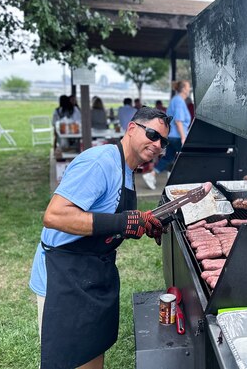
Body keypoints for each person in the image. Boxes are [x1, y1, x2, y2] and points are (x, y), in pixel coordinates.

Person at [29, 107, 170, 369]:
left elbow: (106, 218)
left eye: (163, 140)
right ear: (131, 129)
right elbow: (55, 216)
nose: (157, 143)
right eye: (152, 133)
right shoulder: (100, 162)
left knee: (93, 358)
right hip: (64, 280)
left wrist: (138, 224)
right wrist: (124, 221)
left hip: (92, 274)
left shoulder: (127, 168)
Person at [143, 81, 191, 190]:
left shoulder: (176, 100)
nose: (189, 89)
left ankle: (151, 175)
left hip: (171, 135)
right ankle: (175, 179)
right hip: (178, 136)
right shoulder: (179, 101)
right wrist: (184, 137)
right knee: (186, 158)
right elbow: (179, 121)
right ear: (183, 89)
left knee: (168, 157)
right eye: (188, 87)